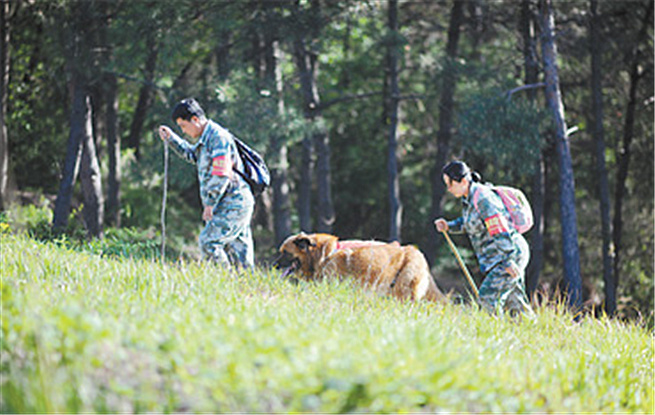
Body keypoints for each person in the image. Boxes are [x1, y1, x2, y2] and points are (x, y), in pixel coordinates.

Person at [158, 98, 254, 268]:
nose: (184, 131)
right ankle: (247, 287)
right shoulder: (206, 138)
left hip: (234, 201)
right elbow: (191, 154)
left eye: (183, 126)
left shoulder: (218, 137)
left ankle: (223, 283)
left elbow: (221, 173)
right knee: (240, 252)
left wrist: (209, 203)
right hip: (231, 201)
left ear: (195, 120)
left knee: (209, 243)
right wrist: (172, 139)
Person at [434, 160, 533, 316]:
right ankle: (531, 333)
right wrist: (449, 226)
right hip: (502, 256)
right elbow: (471, 223)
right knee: (516, 303)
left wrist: (508, 260)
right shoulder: (469, 198)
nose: (448, 188)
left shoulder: (483, 199)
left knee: (488, 299)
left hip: (509, 254)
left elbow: (499, 229)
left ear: (464, 181)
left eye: (450, 183)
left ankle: (490, 336)